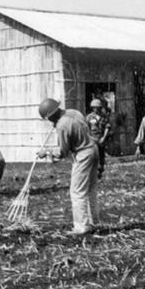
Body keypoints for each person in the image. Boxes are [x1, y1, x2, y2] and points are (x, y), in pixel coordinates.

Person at [37, 98, 99, 235]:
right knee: (90, 189)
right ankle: (93, 222)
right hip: (93, 149)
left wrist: (46, 152)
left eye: (48, 119)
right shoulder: (74, 112)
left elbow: (63, 152)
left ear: (51, 116)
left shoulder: (62, 125)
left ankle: (81, 227)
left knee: (77, 192)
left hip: (83, 154)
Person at [86, 98, 111, 178]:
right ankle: (94, 172)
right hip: (93, 139)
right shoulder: (89, 117)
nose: (96, 109)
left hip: (101, 138)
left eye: (98, 108)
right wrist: (90, 139)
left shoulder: (104, 116)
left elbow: (107, 127)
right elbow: (86, 129)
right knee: (93, 156)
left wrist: (104, 137)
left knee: (101, 155)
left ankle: (100, 171)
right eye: (95, 108)